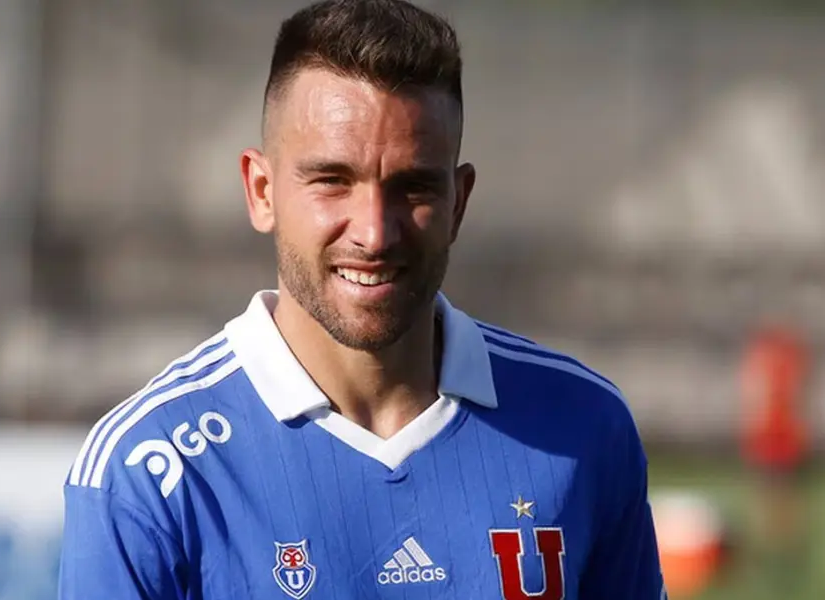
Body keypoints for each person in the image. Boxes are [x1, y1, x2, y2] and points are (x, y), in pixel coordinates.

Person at [59, 1, 665, 598]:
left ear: (459, 201)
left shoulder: (585, 426)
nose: (374, 233)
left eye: (413, 187)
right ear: (261, 190)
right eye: (332, 181)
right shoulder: (148, 471)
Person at [740, 322, 811, 594]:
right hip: (786, 439)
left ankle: (770, 553)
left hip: (771, 438)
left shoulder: (762, 357)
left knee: (769, 499)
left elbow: (755, 401)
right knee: (784, 499)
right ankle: (784, 552)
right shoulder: (791, 357)